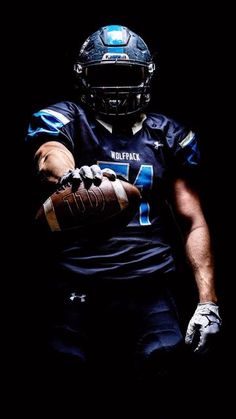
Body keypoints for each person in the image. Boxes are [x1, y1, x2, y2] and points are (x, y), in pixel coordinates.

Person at [25, 24, 221, 416]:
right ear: (85, 77)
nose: (116, 88)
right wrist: (70, 175)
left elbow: (192, 219)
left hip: (149, 285)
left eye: (125, 75)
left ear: (145, 77)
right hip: (78, 283)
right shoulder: (68, 118)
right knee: (64, 377)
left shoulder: (168, 135)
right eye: (105, 76)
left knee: (163, 370)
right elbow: (48, 153)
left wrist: (208, 301)